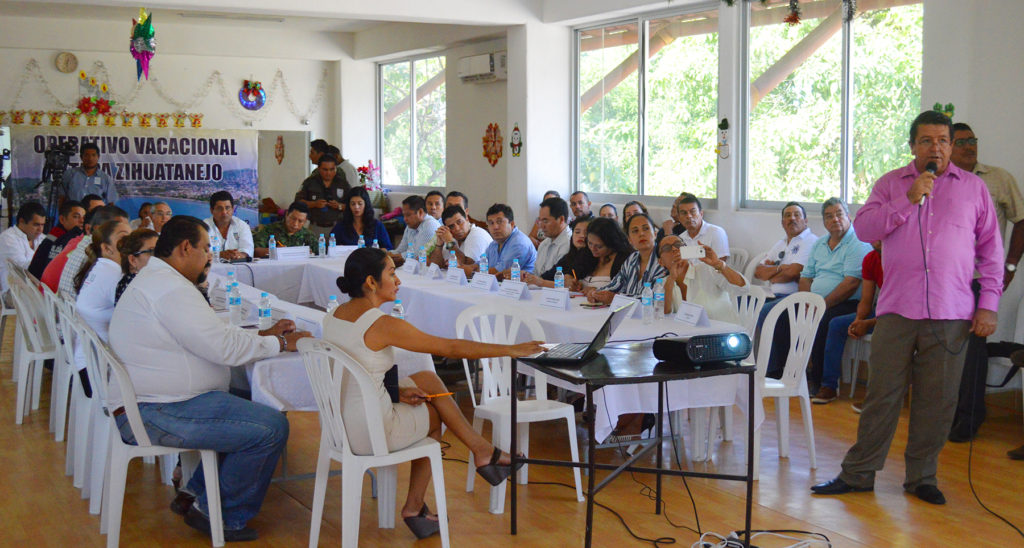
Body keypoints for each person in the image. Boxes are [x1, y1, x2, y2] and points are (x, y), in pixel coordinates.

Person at [811, 110, 1002, 506]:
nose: (937, 147)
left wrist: (988, 305)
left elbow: (990, 251)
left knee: (938, 399)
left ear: (951, 144)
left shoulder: (973, 189)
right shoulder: (890, 184)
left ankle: (922, 478)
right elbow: (864, 230)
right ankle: (859, 473)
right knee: (882, 395)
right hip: (897, 309)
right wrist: (908, 198)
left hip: (951, 312)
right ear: (913, 145)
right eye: (927, 140)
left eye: (943, 140)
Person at [109, 216, 312, 541]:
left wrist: (262, 334)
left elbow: (212, 335)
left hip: (157, 401)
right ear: (185, 248)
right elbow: (224, 348)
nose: (210, 257)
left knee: (258, 399)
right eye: (206, 249)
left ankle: (196, 493)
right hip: (152, 411)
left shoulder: (161, 281)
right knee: (270, 427)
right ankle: (222, 514)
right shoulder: (170, 289)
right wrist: (281, 343)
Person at [325, 248, 541, 538]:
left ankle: (482, 451)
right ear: (371, 282)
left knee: (427, 379)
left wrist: (398, 392)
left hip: (339, 423)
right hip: (369, 430)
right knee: (435, 413)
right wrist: (510, 349)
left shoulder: (335, 314)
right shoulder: (381, 325)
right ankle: (416, 506)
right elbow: (449, 348)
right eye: (391, 273)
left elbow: (357, 370)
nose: (398, 280)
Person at [947, 122, 1024, 442]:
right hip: (947, 280)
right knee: (949, 348)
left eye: (973, 140)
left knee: (974, 347)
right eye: (962, 141)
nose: (970, 146)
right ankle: (947, 413)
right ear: (948, 146)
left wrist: (1009, 266)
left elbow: (1021, 222)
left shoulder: (998, 178)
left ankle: (971, 416)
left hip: (981, 279)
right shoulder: (941, 180)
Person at [813, 241, 883, 405]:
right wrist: (859, 320)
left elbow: (899, 306)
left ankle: (875, 396)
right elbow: (866, 299)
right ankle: (829, 386)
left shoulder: (900, 258)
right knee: (836, 324)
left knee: (887, 329)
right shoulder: (871, 259)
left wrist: (869, 323)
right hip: (878, 312)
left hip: (898, 315)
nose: (876, 240)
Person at [73, 219, 131, 370]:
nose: (132, 244)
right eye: (124, 238)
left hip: (86, 357)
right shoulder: (114, 275)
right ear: (106, 248)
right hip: (97, 368)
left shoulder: (102, 267)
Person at [753, 201, 820, 331]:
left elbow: (794, 273)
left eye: (797, 215)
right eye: (788, 216)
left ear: (805, 221)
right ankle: (751, 350)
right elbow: (759, 272)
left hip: (793, 297)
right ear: (783, 223)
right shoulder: (781, 243)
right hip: (772, 295)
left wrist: (772, 275)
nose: (792, 218)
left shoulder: (810, 241)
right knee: (742, 302)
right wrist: (780, 268)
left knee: (766, 311)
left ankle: (771, 351)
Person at [658, 235, 747, 323]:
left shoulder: (707, 269)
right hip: (692, 335)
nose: (674, 249)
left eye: (678, 245)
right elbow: (664, 316)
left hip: (724, 333)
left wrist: (719, 264)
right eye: (667, 248)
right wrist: (671, 280)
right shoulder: (663, 284)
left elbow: (743, 289)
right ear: (661, 262)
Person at [584, 213, 668, 303]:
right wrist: (595, 293)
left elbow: (655, 298)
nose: (641, 234)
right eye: (635, 231)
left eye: (646, 228)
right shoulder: (631, 259)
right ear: (629, 239)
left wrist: (617, 298)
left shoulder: (663, 259)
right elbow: (614, 285)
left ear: (655, 233)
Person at [42, 205, 127, 293]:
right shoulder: (96, 249)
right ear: (97, 228)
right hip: (72, 304)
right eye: (120, 232)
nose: (126, 238)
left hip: (62, 303)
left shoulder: (82, 242)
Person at [296, 154, 350, 237]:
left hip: (338, 227)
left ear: (336, 168)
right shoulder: (310, 182)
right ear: (318, 169)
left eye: (332, 169)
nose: (328, 173)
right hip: (316, 227)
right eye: (325, 170)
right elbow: (298, 202)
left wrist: (340, 206)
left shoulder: (343, 183)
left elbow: (352, 205)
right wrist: (314, 204)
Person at [28, 200, 85, 278]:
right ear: (62, 219)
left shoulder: (54, 234)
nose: (82, 221)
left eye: (84, 217)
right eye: (76, 216)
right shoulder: (54, 235)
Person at [0, 201, 47, 293]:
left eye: (42, 225)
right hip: (13, 294)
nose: (40, 229)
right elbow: (22, 267)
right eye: (36, 224)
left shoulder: (42, 238)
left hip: (35, 291)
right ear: (21, 221)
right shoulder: (7, 238)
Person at [428, 205, 492, 272]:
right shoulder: (450, 235)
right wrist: (439, 244)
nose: (457, 229)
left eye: (459, 222)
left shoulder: (477, 235)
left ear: (467, 218)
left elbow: (468, 267)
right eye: (451, 226)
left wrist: (450, 242)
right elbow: (435, 266)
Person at [481, 203, 536, 277]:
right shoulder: (494, 244)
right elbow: (481, 265)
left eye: (499, 222)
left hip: (525, 286)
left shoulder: (519, 243)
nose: (495, 227)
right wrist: (471, 268)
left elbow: (499, 273)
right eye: (491, 223)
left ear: (512, 224)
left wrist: (473, 272)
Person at [674, 193, 729, 262]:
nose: (689, 216)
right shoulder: (680, 239)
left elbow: (721, 264)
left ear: (701, 214)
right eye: (684, 213)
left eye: (693, 212)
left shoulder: (716, 232)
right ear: (679, 218)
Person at [253, 201, 319, 258]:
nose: (295, 224)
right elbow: (255, 250)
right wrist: (275, 251)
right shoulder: (270, 229)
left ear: (305, 221)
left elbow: (320, 253)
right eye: (293, 218)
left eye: (300, 221)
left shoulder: (308, 234)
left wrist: (309, 253)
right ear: (287, 214)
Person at [202, 191, 254, 261]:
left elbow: (248, 249)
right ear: (212, 210)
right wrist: (220, 254)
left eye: (227, 208)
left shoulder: (242, 226)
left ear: (232, 209)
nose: (224, 212)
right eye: (220, 208)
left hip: (238, 268)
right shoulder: (203, 227)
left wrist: (239, 255)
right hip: (210, 269)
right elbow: (201, 252)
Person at [114, 228, 159, 302]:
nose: (158, 256)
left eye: (159, 250)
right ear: (133, 260)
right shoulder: (139, 288)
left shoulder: (127, 281)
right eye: (151, 251)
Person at [534, 197, 572, 276]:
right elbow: (536, 274)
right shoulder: (544, 243)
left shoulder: (570, 243)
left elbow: (559, 278)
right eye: (540, 220)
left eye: (545, 221)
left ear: (561, 219)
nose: (541, 226)